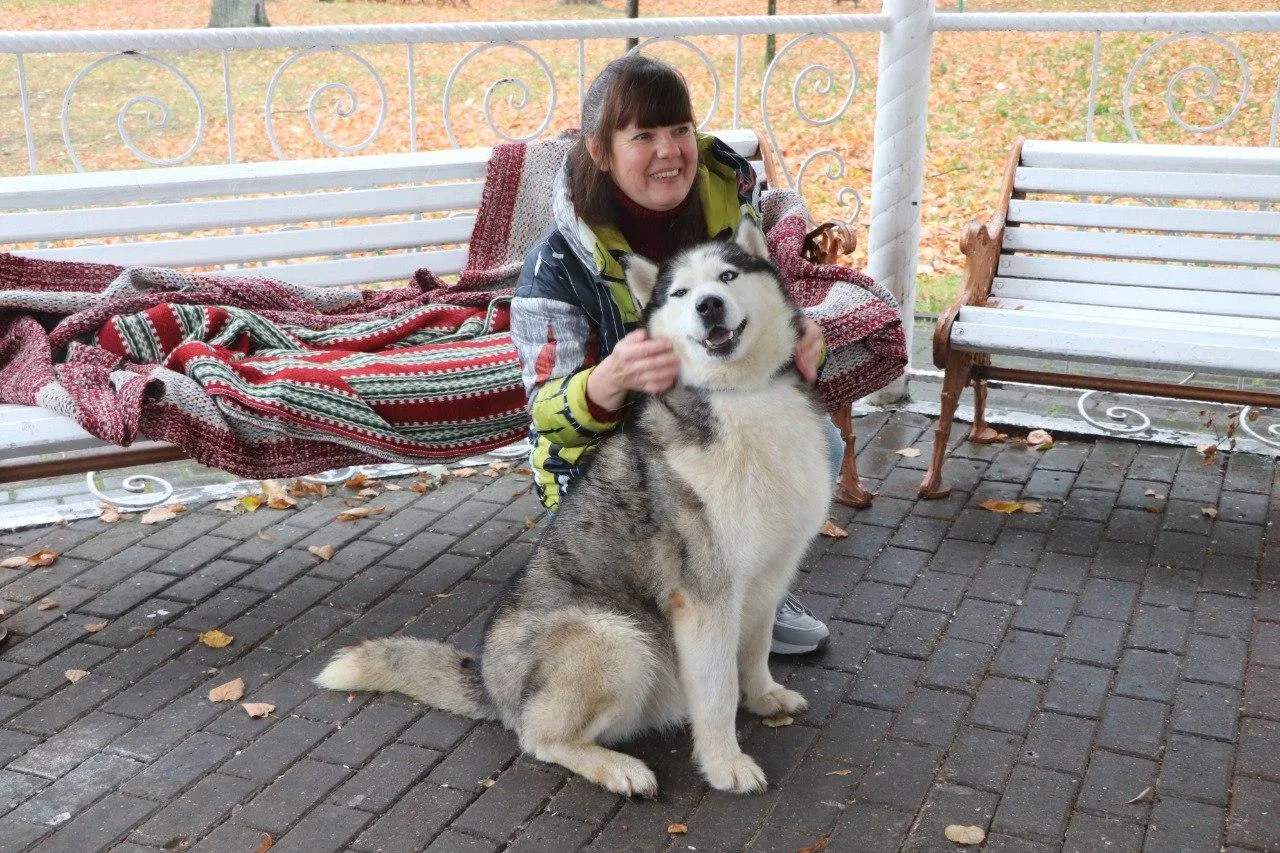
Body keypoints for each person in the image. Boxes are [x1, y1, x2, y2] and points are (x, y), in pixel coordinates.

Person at [511, 53, 845, 655]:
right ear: (599, 149)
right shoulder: (558, 262)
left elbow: (767, 326)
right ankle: (669, 599)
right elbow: (542, 409)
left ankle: (758, 591)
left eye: (680, 130)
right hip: (606, 459)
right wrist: (605, 381)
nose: (669, 152)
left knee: (819, 443)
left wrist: (802, 341)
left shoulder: (731, 212)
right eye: (643, 135)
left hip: (708, 429)